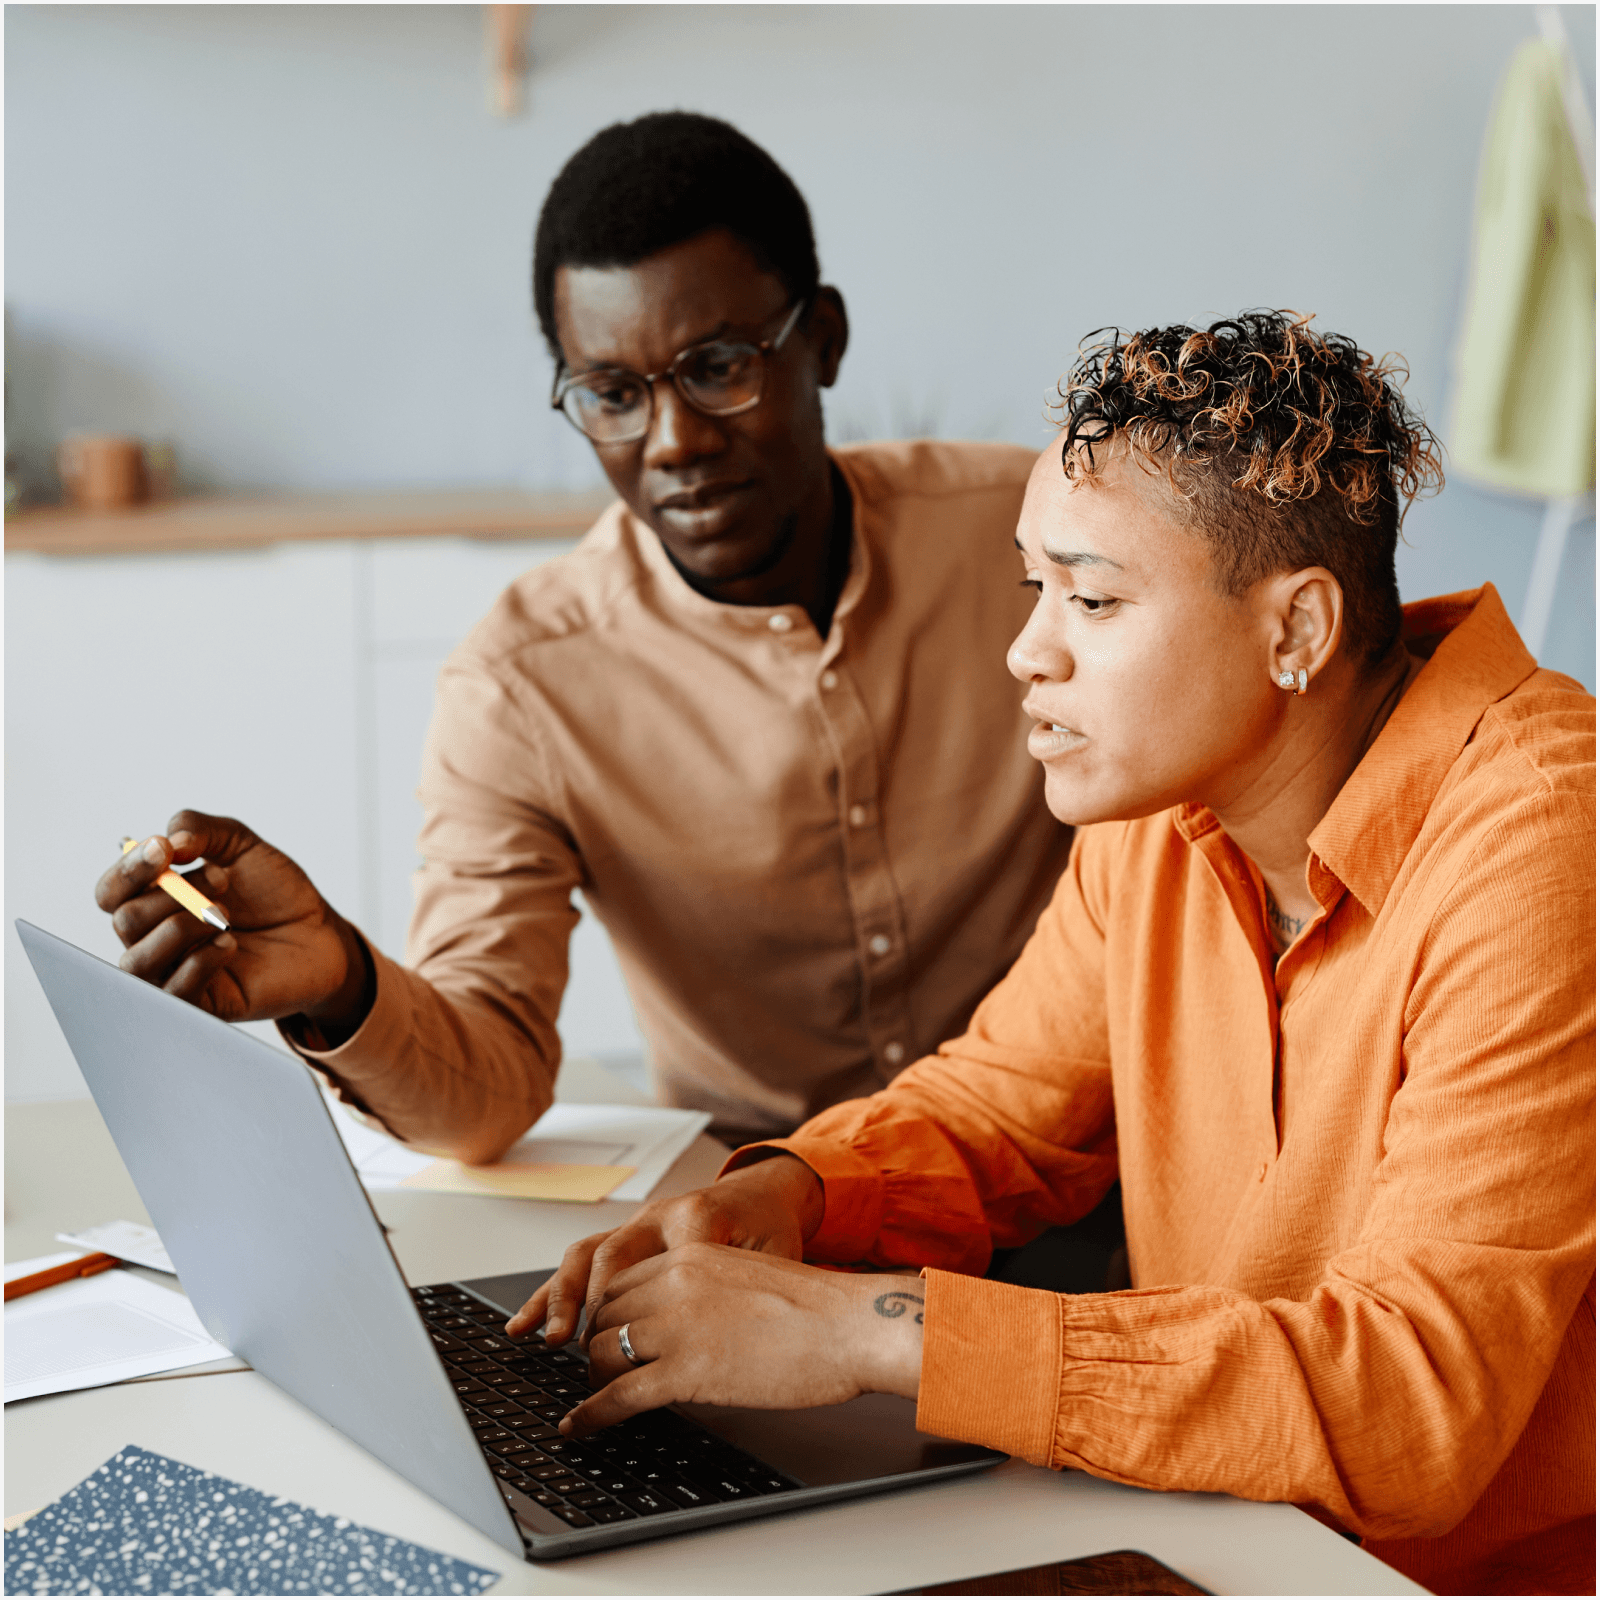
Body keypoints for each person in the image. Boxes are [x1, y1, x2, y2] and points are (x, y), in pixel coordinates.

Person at [506, 312, 1596, 1597]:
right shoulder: (1171, 805)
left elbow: (1407, 1403)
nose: (1030, 649)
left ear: (1296, 629)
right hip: (1208, 1525)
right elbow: (1001, 1107)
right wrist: (791, 1196)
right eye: (1036, 587)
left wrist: (866, 1331)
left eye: (1092, 597)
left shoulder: (1544, 840)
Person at [93, 112, 1071, 1158]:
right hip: (764, 1212)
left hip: (1078, 1168)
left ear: (821, 338)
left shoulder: (1035, 542)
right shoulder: (522, 685)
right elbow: (488, 1089)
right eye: (611, 393)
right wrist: (339, 977)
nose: (675, 441)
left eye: (717, 366)